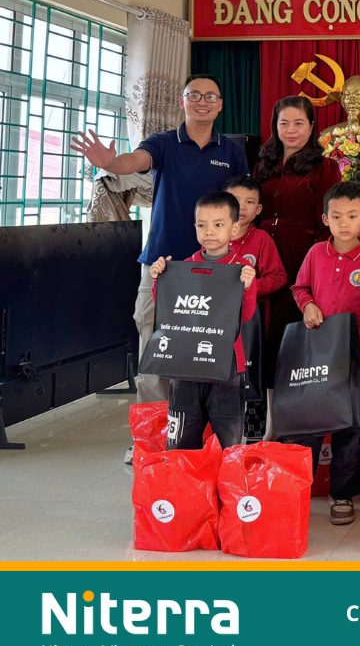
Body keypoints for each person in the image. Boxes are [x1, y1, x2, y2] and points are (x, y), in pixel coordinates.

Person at [70, 74, 248, 406]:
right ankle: (152, 430)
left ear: (220, 105)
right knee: (155, 348)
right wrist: (111, 163)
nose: (203, 102)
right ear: (182, 101)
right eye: (194, 95)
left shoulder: (232, 152)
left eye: (210, 96)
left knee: (206, 349)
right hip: (162, 264)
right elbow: (135, 161)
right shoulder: (163, 143)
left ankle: (196, 426)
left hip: (215, 267)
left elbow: (242, 204)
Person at [288, 182, 360, 525]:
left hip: (357, 359)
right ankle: (297, 488)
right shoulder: (316, 253)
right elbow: (299, 287)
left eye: (352, 216)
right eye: (336, 216)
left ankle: (342, 493)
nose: (344, 223)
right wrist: (307, 305)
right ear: (325, 219)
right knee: (309, 425)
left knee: (352, 425)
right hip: (317, 356)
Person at [146, 192, 256, 450]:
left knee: (227, 438)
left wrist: (248, 287)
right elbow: (168, 311)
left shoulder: (241, 269)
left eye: (218, 224)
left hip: (227, 366)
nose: (209, 232)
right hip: (184, 364)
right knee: (182, 435)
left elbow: (246, 315)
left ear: (234, 228)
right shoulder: (185, 266)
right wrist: (159, 279)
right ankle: (184, 477)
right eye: (202, 225)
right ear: (194, 226)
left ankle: (223, 477)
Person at [254, 95, 343, 388]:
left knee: (292, 328)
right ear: (275, 126)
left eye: (299, 123)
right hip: (262, 256)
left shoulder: (325, 166)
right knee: (260, 329)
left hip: (301, 257)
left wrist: (315, 264)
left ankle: (295, 400)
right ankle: (261, 402)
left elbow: (327, 221)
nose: (291, 130)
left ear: (312, 126)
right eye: (284, 123)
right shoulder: (263, 165)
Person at [224, 175, 288, 439]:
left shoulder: (261, 239)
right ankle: (220, 438)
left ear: (259, 209)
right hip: (220, 325)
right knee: (221, 379)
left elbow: (279, 277)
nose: (242, 207)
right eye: (235, 200)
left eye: (250, 202)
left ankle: (253, 439)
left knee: (253, 377)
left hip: (252, 326)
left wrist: (250, 288)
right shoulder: (214, 234)